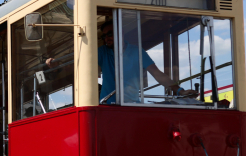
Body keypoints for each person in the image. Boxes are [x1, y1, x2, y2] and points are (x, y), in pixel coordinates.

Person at [47, 21, 195, 104]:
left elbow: (157, 74)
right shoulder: (102, 51)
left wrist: (180, 91)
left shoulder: (137, 52)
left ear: (121, 33)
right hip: (107, 106)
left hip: (131, 105)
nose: (107, 38)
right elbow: (79, 65)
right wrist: (57, 67)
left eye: (110, 34)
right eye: (105, 36)